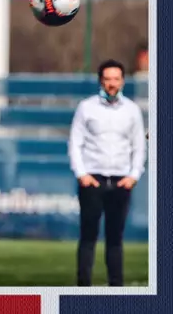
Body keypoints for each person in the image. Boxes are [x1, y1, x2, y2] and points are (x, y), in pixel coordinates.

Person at [68, 59, 146, 287]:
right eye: (108, 78)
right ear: (101, 80)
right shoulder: (86, 107)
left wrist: (133, 176)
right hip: (92, 181)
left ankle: (116, 289)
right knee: (88, 237)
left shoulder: (132, 110)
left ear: (122, 81)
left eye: (116, 78)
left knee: (115, 239)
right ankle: (83, 288)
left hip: (121, 182)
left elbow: (139, 145)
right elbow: (75, 142)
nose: (112, 83)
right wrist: (82, 174)